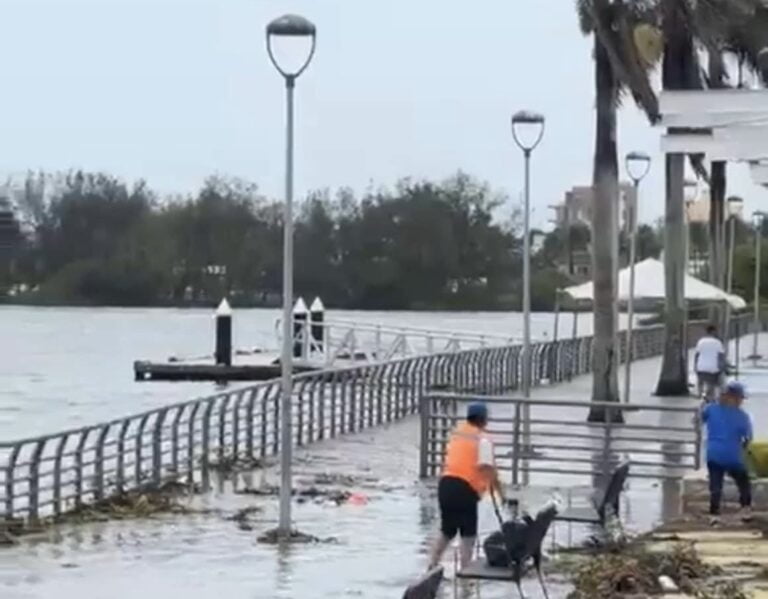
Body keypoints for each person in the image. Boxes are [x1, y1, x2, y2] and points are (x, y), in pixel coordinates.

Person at [428, 401, 504, 570]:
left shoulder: (458, 433)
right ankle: (465, 571)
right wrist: (500, 491)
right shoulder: (483, 438)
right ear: (483, 419)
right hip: (465, 489)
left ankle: (432, 565)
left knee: (447, 530)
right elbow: (487, 467)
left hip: (445, 486)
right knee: (468, 533)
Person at [702, 380, 753, 525]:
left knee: (715, 485)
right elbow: (748, 438)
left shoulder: (711, 409)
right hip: (733, 456)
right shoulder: (743, 416)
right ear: (735, 398)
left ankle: (714, 514)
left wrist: (706, 404)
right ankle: (745, 509)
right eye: (740, 398)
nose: (741, 401)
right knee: (743, 482)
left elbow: (700, 418)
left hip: (713, 454)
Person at [695, 325, 726, 401]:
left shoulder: (701, 341)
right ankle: (710, 397)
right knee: (713, 384)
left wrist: (695, 367)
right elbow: (721, 357)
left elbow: (697, 355)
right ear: (714, 332)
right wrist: (722, 368)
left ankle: (700, 394)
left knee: (700, 381)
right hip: (713, 369)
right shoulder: (718, 342)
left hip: (701, 368)